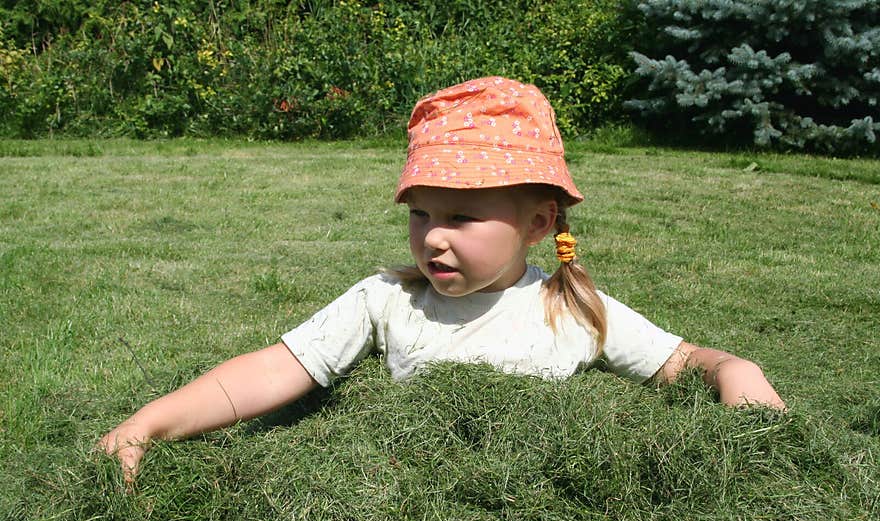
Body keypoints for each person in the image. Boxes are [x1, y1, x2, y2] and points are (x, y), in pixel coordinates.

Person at [97, 76, 786, 485]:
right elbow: (276, 369)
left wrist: (738, 370)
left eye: (461, 215)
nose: (432, 236)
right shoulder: (386, 301)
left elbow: (682, 361)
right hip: (410, 505)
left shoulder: (572, 309)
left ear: (539, 222)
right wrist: (150, 424)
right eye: (420, 212)